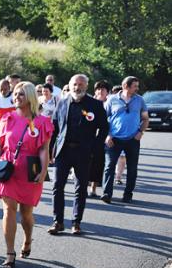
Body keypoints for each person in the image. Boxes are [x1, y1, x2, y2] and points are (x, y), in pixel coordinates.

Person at [0, 83, 53, 268]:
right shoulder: (7, 118)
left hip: (30, 168)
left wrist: (43, 171)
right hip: (8, 169)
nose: (16, 97)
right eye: (15, 94)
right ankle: (9, 253)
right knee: (8, 210)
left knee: (26, 215)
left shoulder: (42, 122)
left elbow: (44, 149)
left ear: (30, 97)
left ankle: (27, 239)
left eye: (21, 95)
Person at [48, 75, 109, 235]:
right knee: (57, 187)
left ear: (86, 86)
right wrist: (50, 152)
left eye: (81, 84)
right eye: (74, 84)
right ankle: (58, 222)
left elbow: (104, 128)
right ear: (70, 85)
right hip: (63, 152)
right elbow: (53, 128)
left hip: (83, 152)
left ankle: (76, 223)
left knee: (81, 189)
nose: (77, 87)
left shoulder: (95, 105)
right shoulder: (62, 103)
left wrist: (94, 149)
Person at [101, 76, 149, 204]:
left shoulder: (140, 100)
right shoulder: (112, 100)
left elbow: (145, 118)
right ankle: (107, 194)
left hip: (133, 139)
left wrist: (141, 132)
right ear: (126, 87)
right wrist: (107, 135)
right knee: (109, 166)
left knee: (132, 168)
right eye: (135, 86)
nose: (137, 88)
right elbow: (103, 120)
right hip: (114, 139)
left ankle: (128, 195)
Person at [88, 80, 112, 197]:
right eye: (98, 89)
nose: (100, 92)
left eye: (103, 90)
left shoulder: (110, 103)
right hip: (89, 136)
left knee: (98, 164)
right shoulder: (89, 103)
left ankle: (93, 189)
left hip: (104, 137)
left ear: (107, 92)